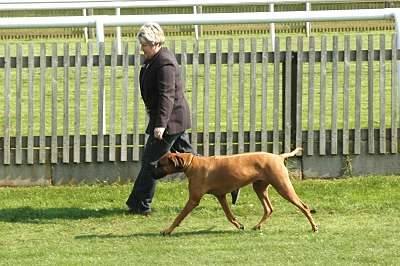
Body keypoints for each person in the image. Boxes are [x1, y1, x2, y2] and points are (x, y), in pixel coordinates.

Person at [126, 22, 239, 215]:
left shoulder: (164, 63)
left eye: (144, 44)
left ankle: (140, 205)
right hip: (172, 120)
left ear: (155, 43)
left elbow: (167, 95)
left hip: (170, 122)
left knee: (151, 162)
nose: (141, 48)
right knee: (195, 161)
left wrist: (161, 124)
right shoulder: (154, 59)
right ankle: (230, 182)